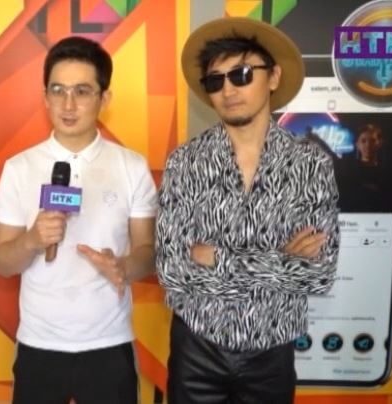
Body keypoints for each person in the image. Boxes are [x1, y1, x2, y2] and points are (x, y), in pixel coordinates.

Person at [157, 17, 340, 403]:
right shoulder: (185, 163)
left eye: (241, 75)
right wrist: (281, 261)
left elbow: (318, 275)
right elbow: (173, 271)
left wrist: (216, 259)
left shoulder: (310, 165)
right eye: (215, 81)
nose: (228, 90)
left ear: (273, 77)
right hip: (197, 349)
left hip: (271, 353)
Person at [0, 36, 157, 404]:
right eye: (58, 90)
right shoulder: (19, 168)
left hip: (109, 344)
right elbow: (3, 263)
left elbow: (147, 252)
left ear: (104, 98)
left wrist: (123, 266)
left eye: (82, 91)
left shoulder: (131, 166)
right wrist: (32, 240)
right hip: (38, 345)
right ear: (45, 96)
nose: (68, 105)